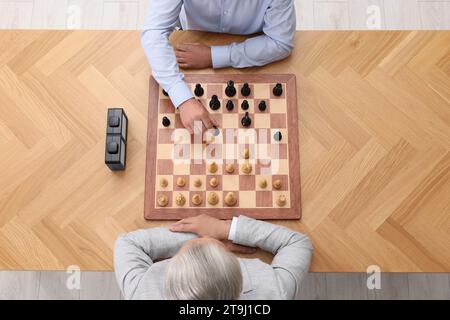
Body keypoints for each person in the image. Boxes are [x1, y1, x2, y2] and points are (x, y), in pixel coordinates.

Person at [141, 0, 296, 134]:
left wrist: (214, 56)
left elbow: (280, 42)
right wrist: (182, 98)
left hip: (254, 43)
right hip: (193, 33)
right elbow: (153, 33)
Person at [114, 214, 313, 299]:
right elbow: (297, 243)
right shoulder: (274, 292)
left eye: (187, 249)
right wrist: (225, 230)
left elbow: (127, 243)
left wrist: (198, 235)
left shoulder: (142, 293)